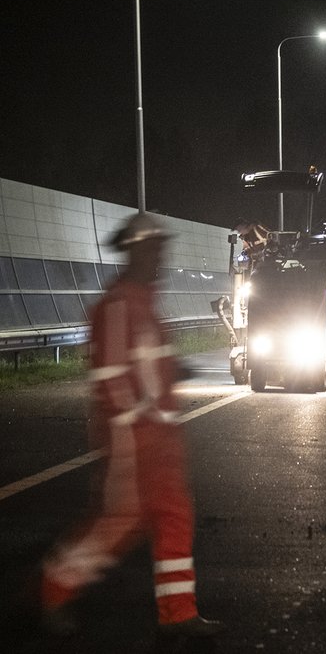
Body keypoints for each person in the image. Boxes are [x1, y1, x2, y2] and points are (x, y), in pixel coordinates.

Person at [40, 213, 222, 638]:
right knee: (120, 521)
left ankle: (179, 614)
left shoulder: (142, 302)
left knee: (174, 514)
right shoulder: (119, 303)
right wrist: (128, 428)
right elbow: (110, 374)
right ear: (137, 251)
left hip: (160, 436)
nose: (161, 258)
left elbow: (143, 365)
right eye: (156, 250)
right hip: (135, 439)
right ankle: (54, 587)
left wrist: (173, 370)